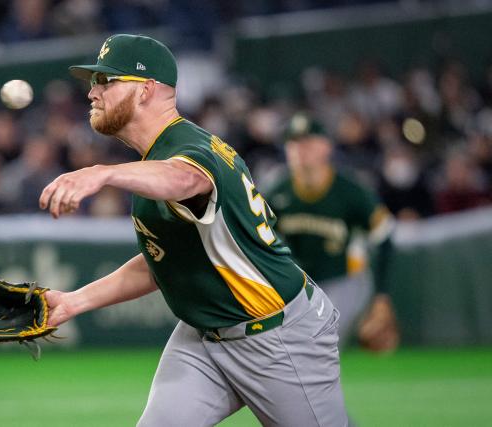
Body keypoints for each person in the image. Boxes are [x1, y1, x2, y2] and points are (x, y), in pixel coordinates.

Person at [40, 34, 348, 426]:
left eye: (106, 81)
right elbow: (163, 262)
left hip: (278, 337)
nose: (92, 93)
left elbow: (186, 180)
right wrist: (75, 302)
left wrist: (102, 174)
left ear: (146, 89)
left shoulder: (187, 148)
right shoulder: (155, 159)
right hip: (203, 337)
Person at [265, 113, 399, 352]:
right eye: (293, 142)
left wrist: (381, 297)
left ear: (326, 147)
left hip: (344, 281)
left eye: (307, 142)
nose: (299, 149)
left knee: (314, 344)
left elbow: (385, 237)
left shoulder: (350, 191)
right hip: (298, 286)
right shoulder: (276, 192)